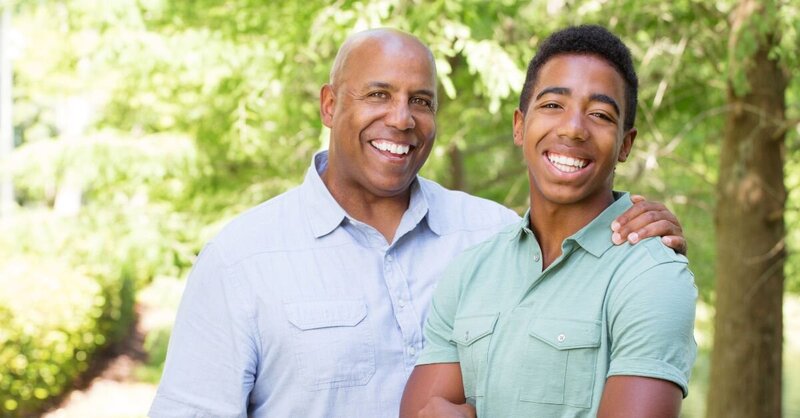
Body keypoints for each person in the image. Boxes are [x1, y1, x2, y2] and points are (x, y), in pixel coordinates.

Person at [149, 28, 687, 418]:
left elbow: (579, 244)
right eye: (379, 94)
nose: (402, 119)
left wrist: (646, 241)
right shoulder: (242, 259)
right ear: (331, 105)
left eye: (421, 101)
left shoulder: (491, 234)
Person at [400, 25, 697, 418]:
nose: (574, 128)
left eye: (600, 114)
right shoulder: (471, 270)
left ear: (625, 144)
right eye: (554, 105)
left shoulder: (650, 275)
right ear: (519, 126)